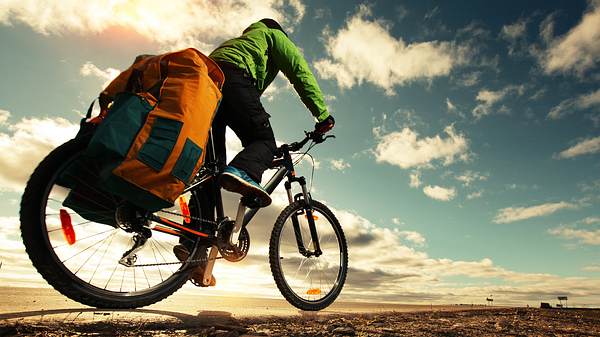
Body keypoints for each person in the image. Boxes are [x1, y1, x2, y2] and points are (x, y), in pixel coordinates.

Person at [173, 18, 335, 287]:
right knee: (263, 141)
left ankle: (193, 249)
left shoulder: (242, 42)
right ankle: (242, 172)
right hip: (234, 79)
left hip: (206, 87)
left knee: (212, 171)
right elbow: (299, 72)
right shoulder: (273, 36)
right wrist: (322, 115)